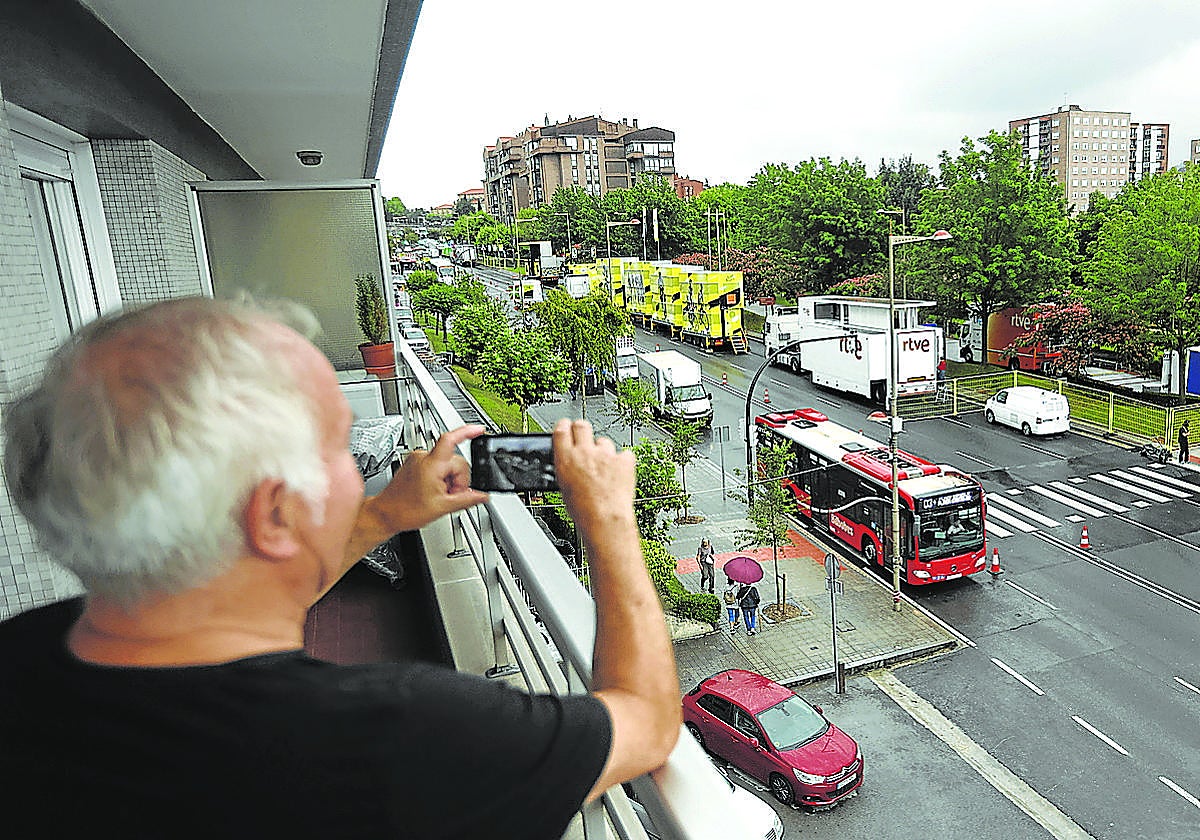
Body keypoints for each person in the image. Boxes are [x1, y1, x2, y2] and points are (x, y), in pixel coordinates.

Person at [0, 297, 680, 839]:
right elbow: (647, 722)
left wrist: (383, 516)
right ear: (276, 515)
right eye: (339, 444)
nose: (362, 467)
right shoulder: (399, 736)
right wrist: (608, 519)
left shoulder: (27, 653)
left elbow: (234, 591)